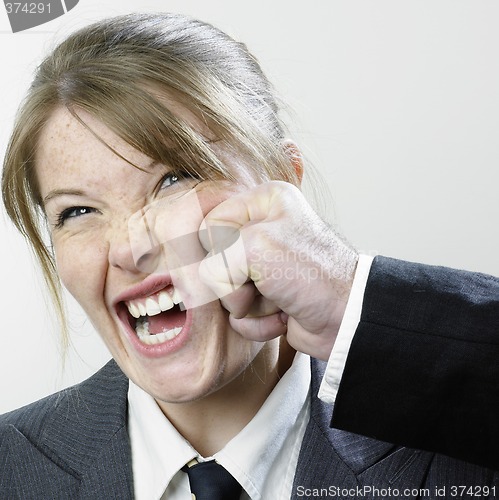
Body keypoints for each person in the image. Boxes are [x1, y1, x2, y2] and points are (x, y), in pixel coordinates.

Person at [0, 12, 497, 499]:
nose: (132, 249)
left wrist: (351, 298)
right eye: (79, 210)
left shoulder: (460, 452)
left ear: (285, 180)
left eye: (174, 179)